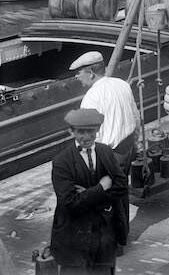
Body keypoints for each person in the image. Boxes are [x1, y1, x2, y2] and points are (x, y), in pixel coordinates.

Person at [71, 51, 140, 243]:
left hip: (106, 155)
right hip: (126, 148)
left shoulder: (91, 98)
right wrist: (137, 143)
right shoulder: (122, 85)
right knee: (120, 194)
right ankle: (121, 238)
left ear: (91, 72)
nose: (77, 77)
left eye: (79, 73)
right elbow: (135, 116)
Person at [50, 108, 128, 275]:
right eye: (81, 132)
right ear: (71, 132)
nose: (86, 137)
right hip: (74, 236)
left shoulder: (105, 151)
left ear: (98, 130)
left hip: (104, 235)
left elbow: (122, 186)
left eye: (91, 131)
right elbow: (70, 203)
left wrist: (88, 193)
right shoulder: (61, 162)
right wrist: (101, 188)